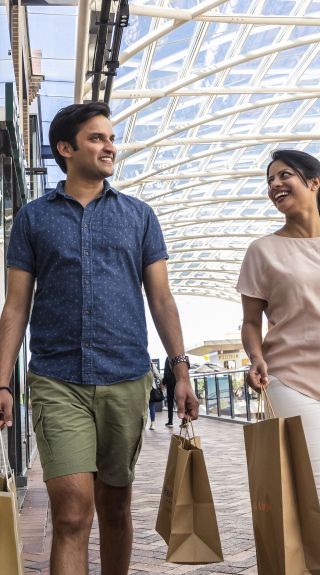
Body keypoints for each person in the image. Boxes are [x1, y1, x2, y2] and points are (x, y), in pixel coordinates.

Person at [0, 102, 199, 575]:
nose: (110, 146)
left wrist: (182, 370)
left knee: (114, 509)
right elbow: (16, 305)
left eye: (111, 138)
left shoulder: (139, 216)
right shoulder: (32, 219)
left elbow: (162, 300)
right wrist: (3, 381)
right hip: (56, 378)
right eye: (97, 138)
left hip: (125, 378)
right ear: (65, 149)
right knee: (71, 513)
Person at [236, 148, 320, 494]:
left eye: (285, 175)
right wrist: (256, 357)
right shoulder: (263, 251)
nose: (275, 184)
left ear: (314, 182)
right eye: (270, 179)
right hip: (290, 377)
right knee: (313, 488)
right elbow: (251, 322)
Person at [163, 356, 176, 427]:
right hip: (178, 382)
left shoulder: (168, 358)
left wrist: (164, 382)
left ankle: (170, 421)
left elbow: (166, 371)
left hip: (170, 382)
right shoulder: (179, 356)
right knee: (181, 401)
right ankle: (184, 421)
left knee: (170, 402)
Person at [149, 362, 163, 430]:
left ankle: (143, 424)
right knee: (152, 407)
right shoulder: (151, 364)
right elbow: (157, 374)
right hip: (151, 388)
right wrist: (162, 382)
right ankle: (152, 424)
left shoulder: (137, 361)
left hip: (141, 389)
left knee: (143, 408)